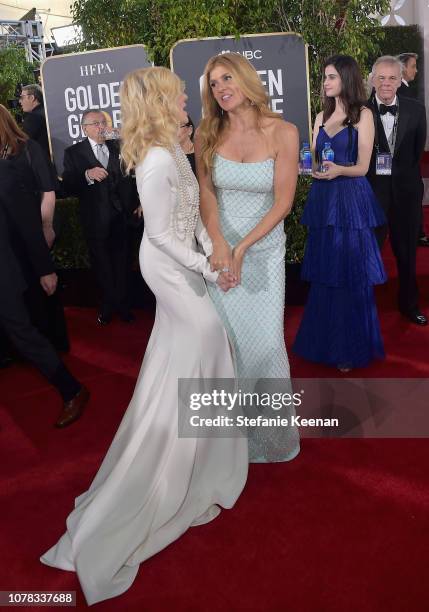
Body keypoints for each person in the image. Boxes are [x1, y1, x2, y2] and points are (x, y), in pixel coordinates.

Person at [40, 67, 248, 606]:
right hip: (169, 270)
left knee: (199, 352)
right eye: (178, 91)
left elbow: (194, 215)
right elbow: (159, 234)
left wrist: (216, 252)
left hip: (189, 265)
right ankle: (169, 464)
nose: (186, 96)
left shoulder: (174, 150)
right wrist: (206, 267)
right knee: (203, 343)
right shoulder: (155, 160)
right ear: (159, 101)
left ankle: (199, 455)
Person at [195, 52, 300, 463]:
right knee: (228, 346)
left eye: (227, 79)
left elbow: (283, 203)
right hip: (220, 249)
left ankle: (268, 440)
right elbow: (207, 193)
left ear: (245, 79)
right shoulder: (207, 132)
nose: (221, 89)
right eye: (214, 83)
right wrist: (219, 243)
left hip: (263, 248)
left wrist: (242, 248)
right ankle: (228, 442)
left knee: (266, 345)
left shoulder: (283, 132)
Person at [293, 55, 387, 370]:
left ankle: (350, 347)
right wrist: (306, 167)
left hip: (350, 198)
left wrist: (337, 171)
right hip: (324, 198)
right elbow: (317, 161)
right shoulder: (321, 115)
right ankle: (326, 342)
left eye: (331, 77)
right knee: (326, 274)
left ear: (346, 78)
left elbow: (362, 167)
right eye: (324, 78)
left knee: (349, 274)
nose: (326, 82)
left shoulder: (364, 115)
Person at [0, 159, 89, 428]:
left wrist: (44, 268)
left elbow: (28, 225)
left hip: (4, 274)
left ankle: (72, 390)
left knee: (23, 335)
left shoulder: (5, 173)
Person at [0, 104, 69, 352]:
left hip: (33, 228)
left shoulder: (28, 149)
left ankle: (53, 343)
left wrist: (46, 226)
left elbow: (47, 190)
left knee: (43, 285)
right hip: (8, 239)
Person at [367, 56, 427, 325]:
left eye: (392, 78)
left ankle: (409, 305)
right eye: (381, 78)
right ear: (372, 80)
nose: (386, 83)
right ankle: (364, 309)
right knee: (368, 253)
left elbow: (416, 152)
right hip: (371, 194)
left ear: (399, 79)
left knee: (407, 253)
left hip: (406, 191)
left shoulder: (416, 110)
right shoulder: (360, 111)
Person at [61, 110, 137, 325]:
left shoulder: (120, 146)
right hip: (95, 220)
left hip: (122, 216)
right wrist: (87, 175)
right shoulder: (73, 153)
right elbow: (66, 186)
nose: (101, 126)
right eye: (96, 123)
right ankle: (108, 304)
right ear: (84, 128)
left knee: (123, 263)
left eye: (104, 122)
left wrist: (138, 202)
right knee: (102, 265)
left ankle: (123, 304)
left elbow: (135, 174)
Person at [396, 52, 429, 248]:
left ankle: (417, 233)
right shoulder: (402, 93)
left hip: (409, 161)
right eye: (413, 66)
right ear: (402, 69)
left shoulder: (407, 91)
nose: (416, 70)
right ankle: (415, 234)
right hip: (404, 161)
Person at [19, 84, 50, 158]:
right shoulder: (47, 112)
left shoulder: (34, 117)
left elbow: (21, 142)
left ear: (32, 98)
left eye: (22, 97)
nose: (20, 101)